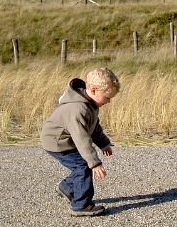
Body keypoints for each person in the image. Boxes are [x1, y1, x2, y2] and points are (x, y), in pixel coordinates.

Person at [41, 67, 120, 217]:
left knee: (81, 166)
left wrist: (104, 143)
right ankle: (81, 205)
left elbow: (94, 127)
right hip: (57, 142)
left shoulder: (91, 104)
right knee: (83, 166)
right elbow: (82, 138)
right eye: (107, 97)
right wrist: (94, 162)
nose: (109, 101)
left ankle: (67, 188)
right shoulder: (78, 109)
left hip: (67, 140)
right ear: (94, 89)